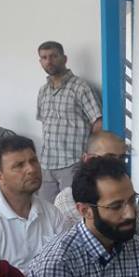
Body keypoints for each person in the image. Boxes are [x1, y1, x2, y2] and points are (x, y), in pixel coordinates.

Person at [0, 135, 64, 276]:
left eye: (33, 161)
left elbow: (65, 264)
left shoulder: (52, 213)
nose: (31, 169)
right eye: (19, 165)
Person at [36, 41, 103, 202]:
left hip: (73, 163)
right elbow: (45, 124)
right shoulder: (43, 91)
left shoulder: (81, 87)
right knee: (47, 211)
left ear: (64, 59)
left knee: (73, 210)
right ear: (40, 62)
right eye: (44, 57)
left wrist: (90, 155)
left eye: (53, 56)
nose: (49, 61)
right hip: (47, 164)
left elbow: (98, 123)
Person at [54, 131, 139, 233]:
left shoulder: (127, 195)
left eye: (122, 158)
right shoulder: (66, 200)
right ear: (88, 159)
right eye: (109, 158)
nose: (118, 165)